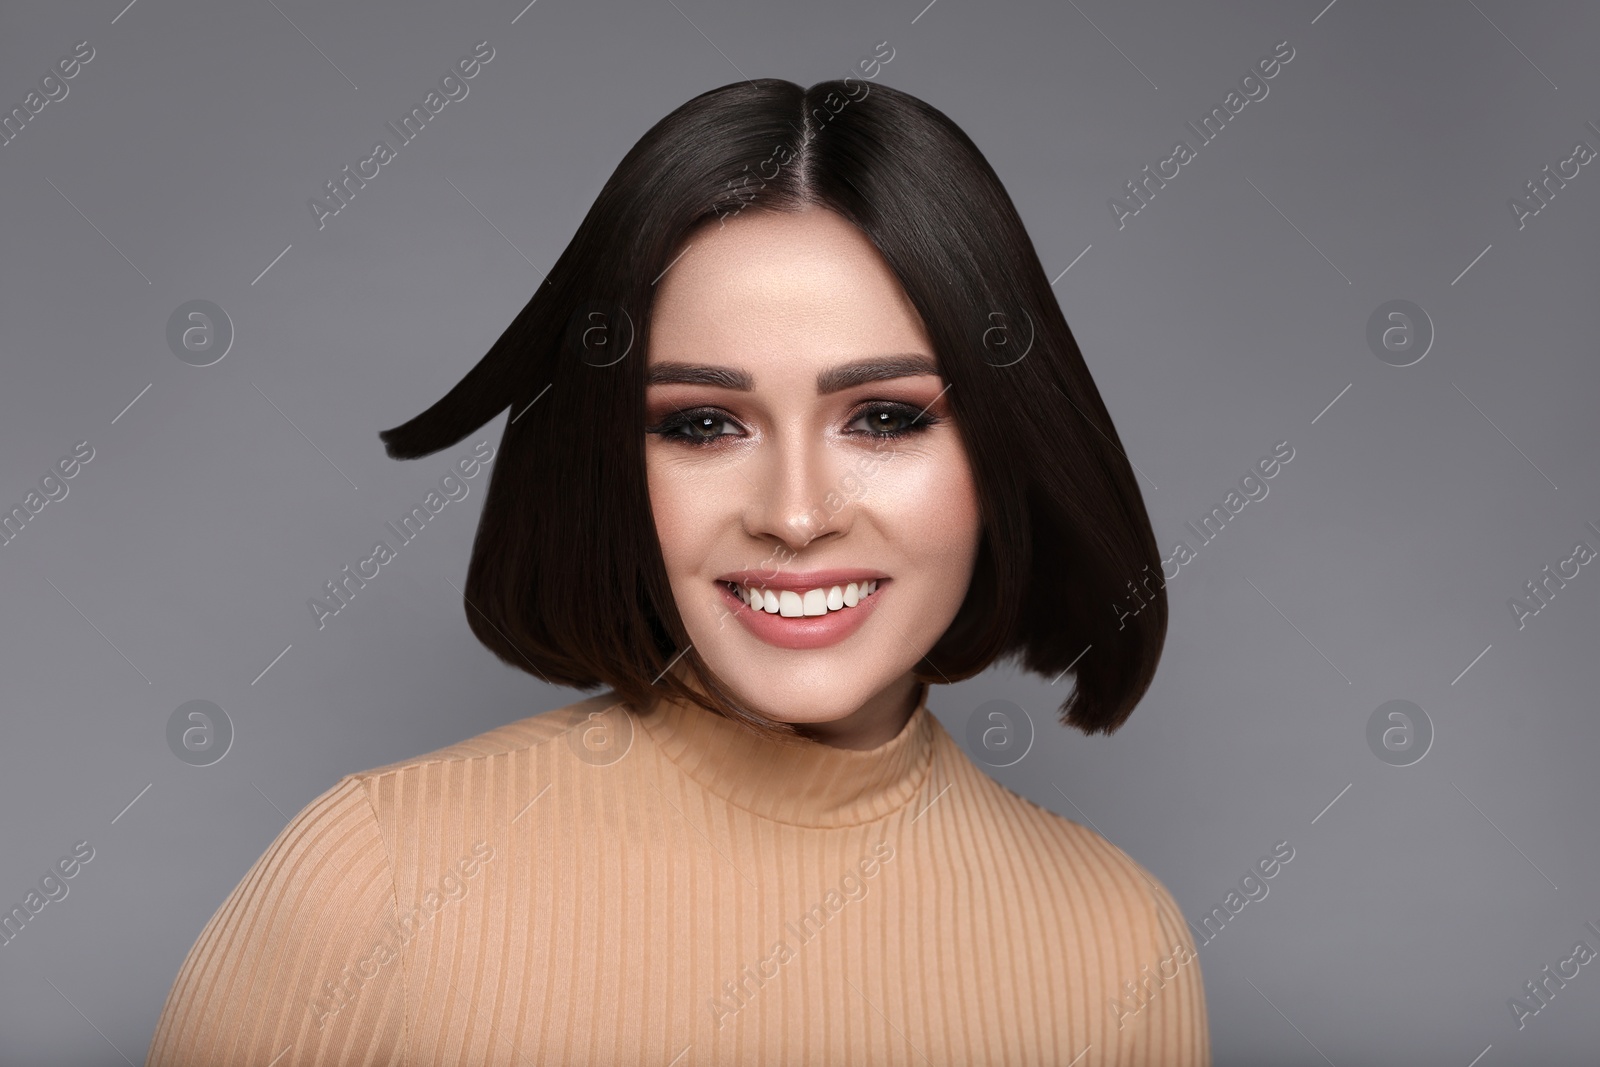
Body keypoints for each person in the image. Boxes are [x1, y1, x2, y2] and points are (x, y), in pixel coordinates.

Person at [146, 76, 1208, 1066]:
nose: (794, 514)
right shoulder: (367, 880)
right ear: (614, 457)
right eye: (703, 423)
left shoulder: (1119, 945)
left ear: (1004, 449)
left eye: (884, 417)